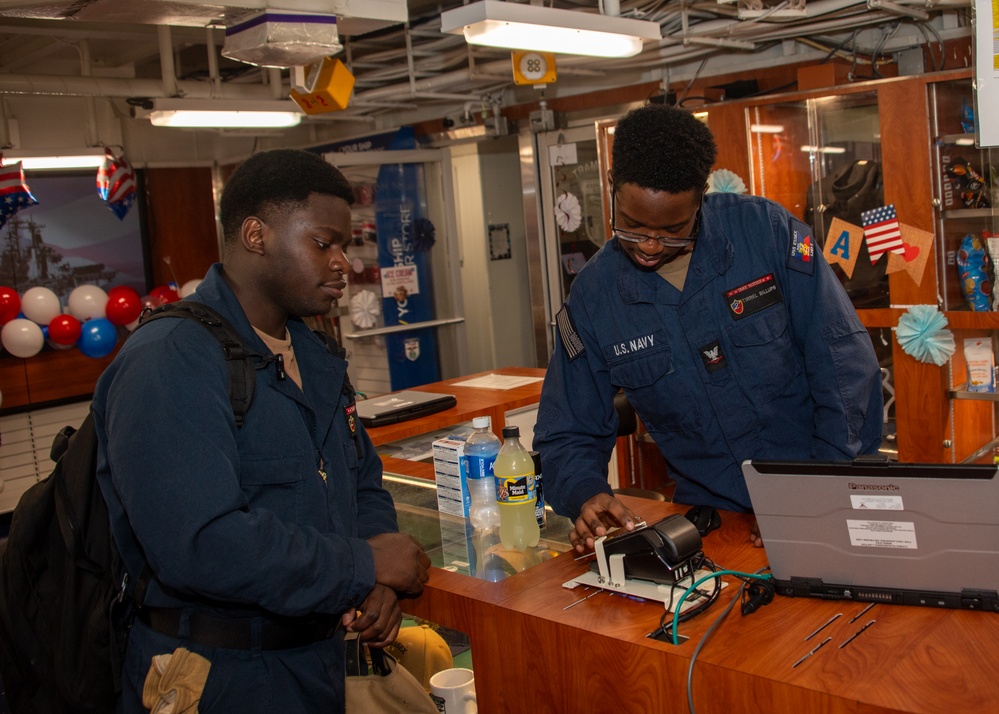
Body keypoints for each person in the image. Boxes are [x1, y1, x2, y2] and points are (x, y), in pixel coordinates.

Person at [93, 149, 430, 712]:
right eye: (323, 243)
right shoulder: (168, 360)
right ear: (255, 235)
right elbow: (200, 544)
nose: (342, 262)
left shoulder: (314, 354)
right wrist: (363, 564)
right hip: (219, 677)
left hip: (315, 665)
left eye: (345, 246)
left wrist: (374, 583)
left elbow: (361, 479)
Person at [534, 104, 883, 553]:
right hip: (714, 522)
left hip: (823, 496)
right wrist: (585, 492)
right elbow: (568, 428)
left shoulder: (768, 235)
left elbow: (845, 367)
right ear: (611, 189)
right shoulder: (595, 298)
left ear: (701, 196)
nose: (649, 247)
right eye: (632, 226)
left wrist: (812, 490)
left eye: (673, 230)